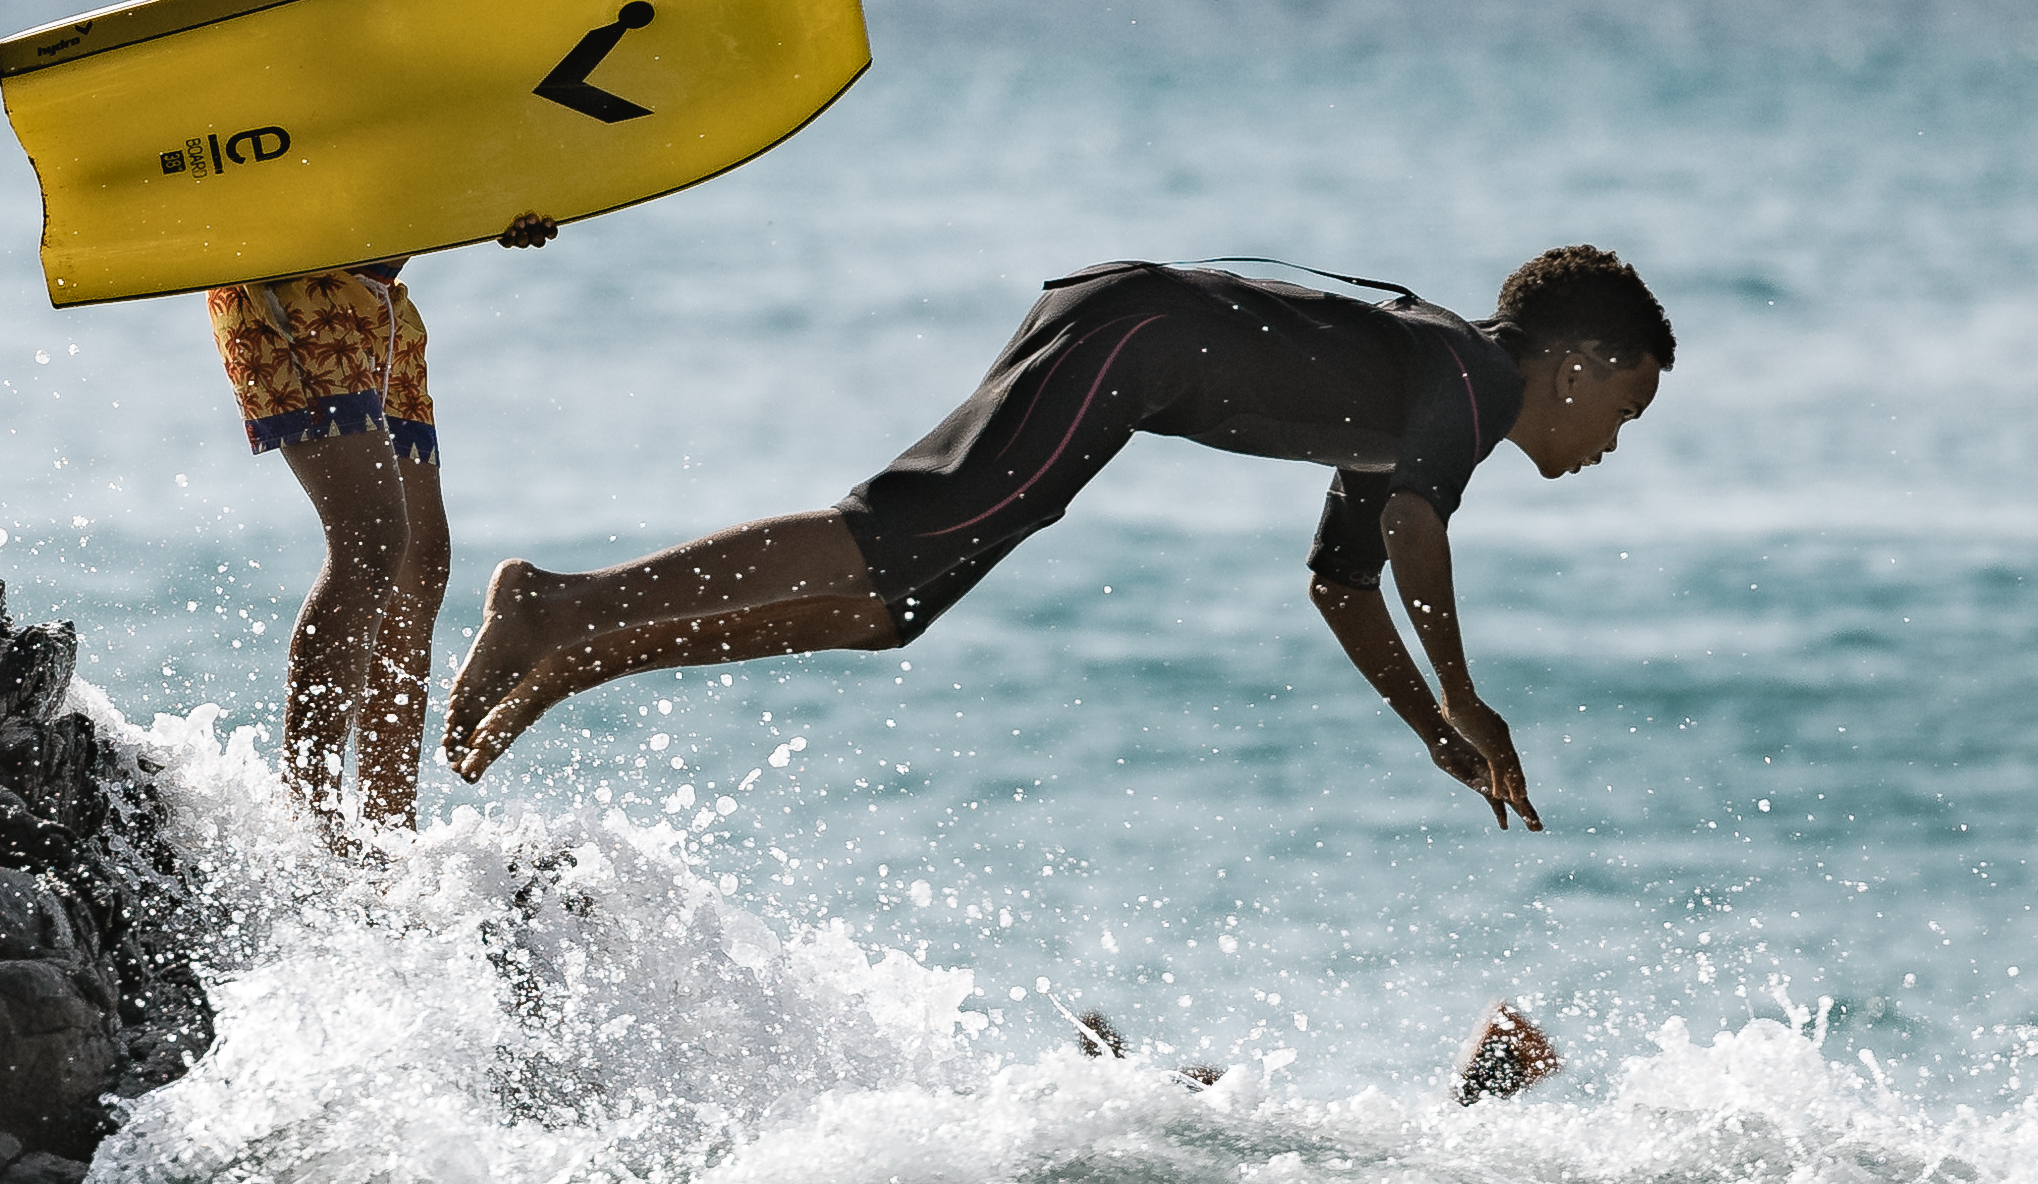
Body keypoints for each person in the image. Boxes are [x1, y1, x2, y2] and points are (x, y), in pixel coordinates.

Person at [438, 253, 1674, 817]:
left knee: (888, 610)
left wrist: (1429, 733)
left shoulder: (1421, 400)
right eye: (1625, 407)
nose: (1613, 440)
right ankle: (555, 603)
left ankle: (580, 654)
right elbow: (1412, 529)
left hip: (1121, 342)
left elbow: (1342, 584)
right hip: (1131, 341)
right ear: (1576, 363)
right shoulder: (1469, 379)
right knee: (889, 536)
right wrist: (1464, 694)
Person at [216, 0, 583, 831]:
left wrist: (498, 209)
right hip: (288, 275)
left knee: (422, 556)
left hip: (377, 291)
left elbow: (408, 142)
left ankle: (382, 831)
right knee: (370, 542)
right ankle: (309, 829)